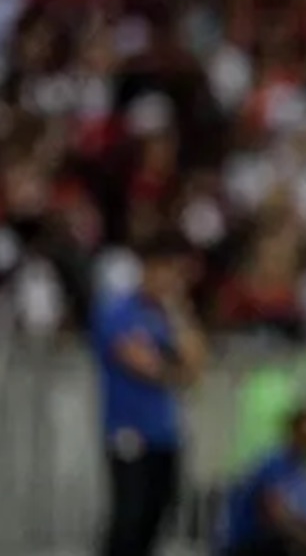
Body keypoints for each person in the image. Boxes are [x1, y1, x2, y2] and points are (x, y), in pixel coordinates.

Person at [91, 231, 208, 556]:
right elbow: (141, 363)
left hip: (166, 432)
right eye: (165, 269)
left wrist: (178, 312)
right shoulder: (118, 310)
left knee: (158, 515)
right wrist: (175, 372)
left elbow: (196, 364)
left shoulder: (168, 315)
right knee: (129, 517)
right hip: (128, 431)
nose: (170, 279)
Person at [217, 406, 306, 556]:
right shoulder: (275, 465)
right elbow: (274, 515)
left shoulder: (305, 475)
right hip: (253, 543)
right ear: (294, 434)